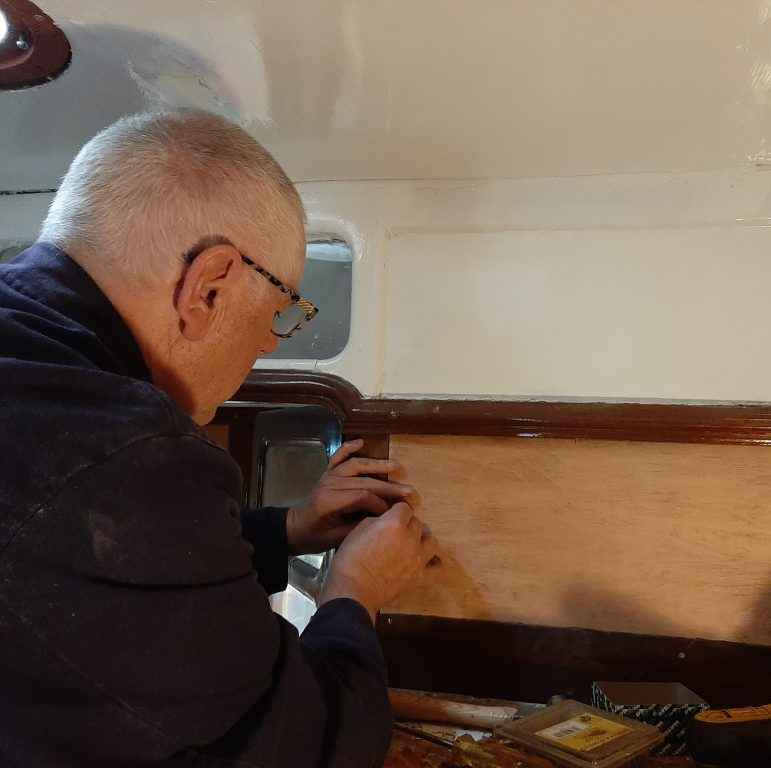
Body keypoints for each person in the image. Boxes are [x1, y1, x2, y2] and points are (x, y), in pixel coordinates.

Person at [0, 108, 442, 767]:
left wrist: (286, 529)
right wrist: (354, 588)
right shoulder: (126, 451)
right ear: (207, 286)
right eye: (277, 312)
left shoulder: (42, 383)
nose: (269, 342)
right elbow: (309, 746)